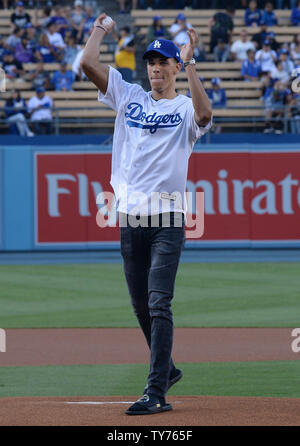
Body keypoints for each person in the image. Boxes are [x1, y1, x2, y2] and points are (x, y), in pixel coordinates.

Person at [80, 13, 212, 416]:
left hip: (168, 219)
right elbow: (86, 64)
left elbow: (205, 117)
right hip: (131, 217)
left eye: (162, 62)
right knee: (141, 306)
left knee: (158, 303)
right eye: (151, 62)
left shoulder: (185, 107)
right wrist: (100, 29)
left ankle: (155, 392)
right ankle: (167, 369)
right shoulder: (129, 95)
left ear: (175, 67)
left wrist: (190, 64)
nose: (155, 68)